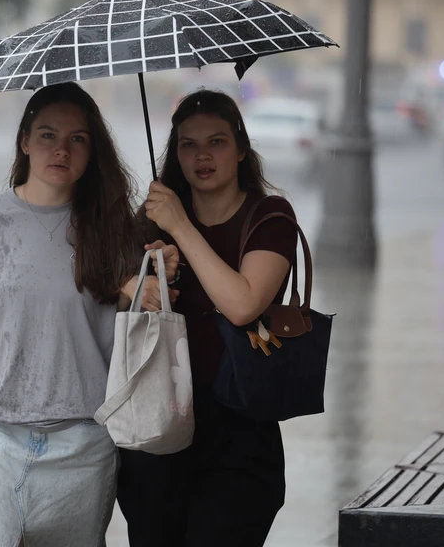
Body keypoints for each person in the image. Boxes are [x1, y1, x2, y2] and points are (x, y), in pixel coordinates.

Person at [0, 82, 150, 547]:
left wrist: (147, 278)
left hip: (84, 445)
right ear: (24, 140)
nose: (61, 149)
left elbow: (134, 336)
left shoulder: (114, 230)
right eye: (47, 135)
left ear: (93, 151)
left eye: (77, 138)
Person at [116, 89, 299, 547]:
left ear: (241, 149)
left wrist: (182, 227)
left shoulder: (270, 216)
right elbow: (111, 305)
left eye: (216, 142)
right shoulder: (154, 221)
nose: (202, 156)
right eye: (187, 144)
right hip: (157, 428)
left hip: (239, 436)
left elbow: (243, 304)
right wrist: (144, 281)